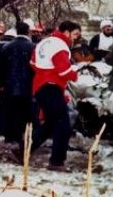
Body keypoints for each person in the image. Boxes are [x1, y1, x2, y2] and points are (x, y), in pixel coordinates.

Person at [28, 20, 80, 172]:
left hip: (40, 85)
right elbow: (64, 71)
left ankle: (24, 150)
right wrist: (75, 73)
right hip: (51, 86)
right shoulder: (61, 46)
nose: (75, 38)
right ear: (66, 32)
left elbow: (32, 63)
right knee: (63, 124)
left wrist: (44, 72)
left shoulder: (44, 42)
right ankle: (57, 161)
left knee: (51, 122)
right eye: (75, 34)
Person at [0, 21, 35, 144]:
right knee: (23, 112)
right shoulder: (32, 47)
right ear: (28, 32)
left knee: (10, 111)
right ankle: (21, 138)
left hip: (9, 85)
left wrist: (1, 83)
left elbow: (1, 67)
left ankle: (9, 137)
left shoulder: (7, 47)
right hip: (27, 85)